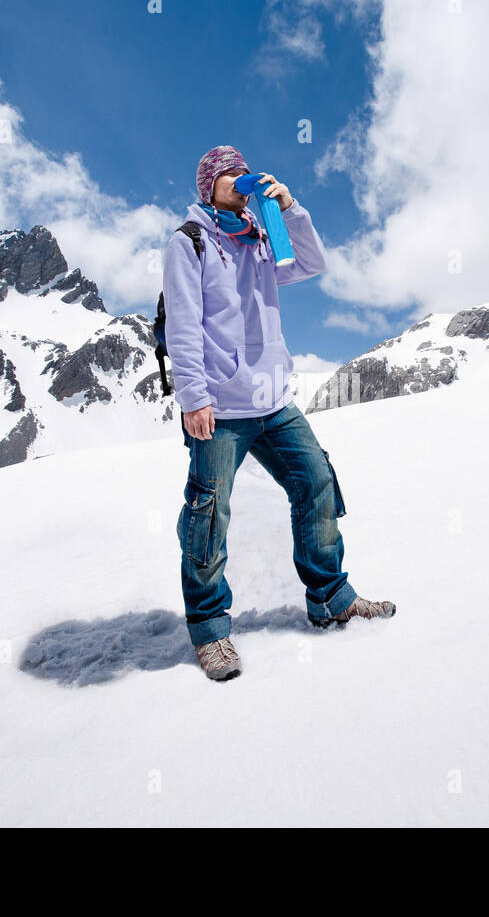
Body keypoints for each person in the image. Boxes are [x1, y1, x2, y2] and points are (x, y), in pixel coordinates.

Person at [163, 145, 395, 681]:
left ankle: (332, 599)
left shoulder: (263, 238)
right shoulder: (189, 242)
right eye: (226, 173)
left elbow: (312, 264)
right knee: (208, 512)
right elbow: (182, 322)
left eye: (241, 170)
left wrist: (289, 208)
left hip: (274, 399)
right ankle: (210, 630)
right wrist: (194, 398)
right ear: (207, 186)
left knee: (315, 481)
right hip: (221, 406)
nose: (237, 178)